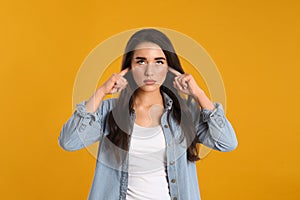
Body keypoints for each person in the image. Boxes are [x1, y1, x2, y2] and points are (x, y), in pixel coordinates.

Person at [58, 28, 238, 200]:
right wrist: (101, 92)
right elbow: (69, 141)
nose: (149, 71)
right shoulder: (109, 111)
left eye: (159, 62)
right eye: (141, 61)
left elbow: (227, 142)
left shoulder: (184, 113)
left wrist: (199, 94)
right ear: (129, 67)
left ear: (169, 67)